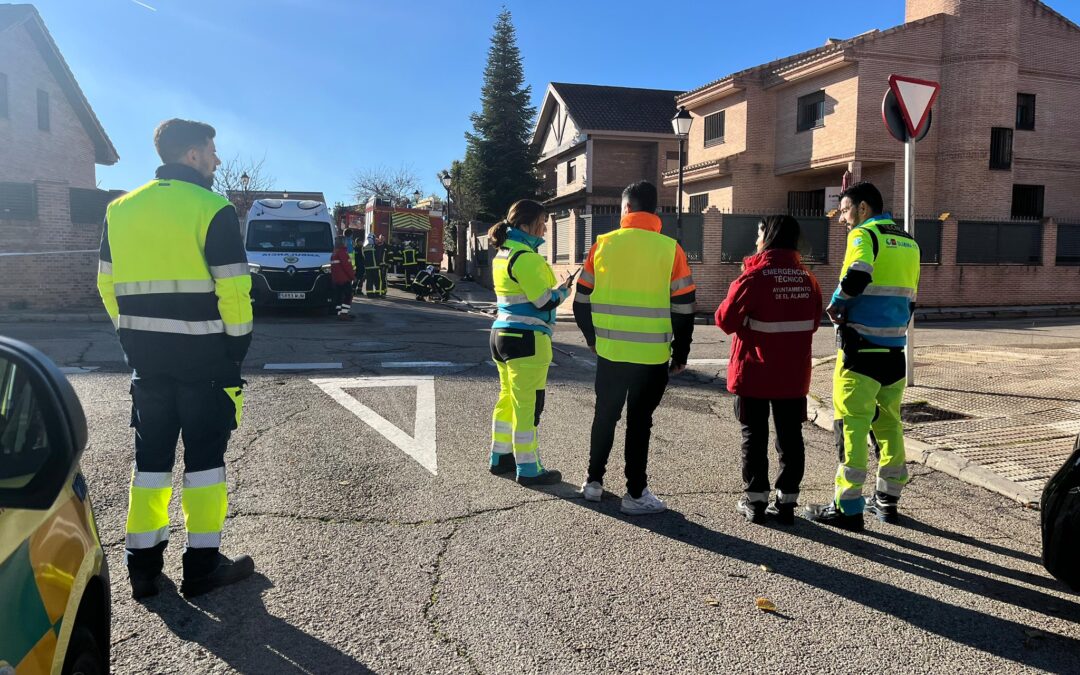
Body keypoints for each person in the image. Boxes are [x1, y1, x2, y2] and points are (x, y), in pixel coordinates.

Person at [96, 118, 255, 599]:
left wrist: (133, 338)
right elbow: (234, 292)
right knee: (205, 466)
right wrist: (234, 351)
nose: (217, 159)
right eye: (212, 150)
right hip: (206, 365)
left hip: (148, 364)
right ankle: (202, 566)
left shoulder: (119, 210)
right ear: (192, 155)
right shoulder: (213, 209)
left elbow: (106, 284)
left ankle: (142, 568)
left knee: (149, 466)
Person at [573, 181, 695, 515]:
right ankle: (636, 494)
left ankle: (593, 483)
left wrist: (592, 339)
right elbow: (684, 309)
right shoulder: (671, 249)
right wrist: (681, 353)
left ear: (625, 208)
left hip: (610, 353)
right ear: (656, 211)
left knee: (605, 416)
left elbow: (580, 301)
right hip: (652, 357)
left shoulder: (602, 245)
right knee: (639, 423)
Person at [807, 181, 921, 530]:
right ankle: (887, 501)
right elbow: (911, 298)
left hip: (860, 349)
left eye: (844, 210)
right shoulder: (909, 242)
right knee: (889, 424)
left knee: (852, 425)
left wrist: (836, 305)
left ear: (862, 208)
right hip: (893, 350)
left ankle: (848, 506)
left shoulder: (864, 235)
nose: (842, 218)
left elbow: (858, 273)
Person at [715, 215, 822, 525]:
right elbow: (813, 323)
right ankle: (787, 501)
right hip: (793, 375)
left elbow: (724, 320)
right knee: (790, 437)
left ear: (770, 237)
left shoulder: (753, 278)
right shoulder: (808, 279)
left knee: (754, 435)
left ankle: (755, 500)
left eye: (759, 234)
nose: (755, 241)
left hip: (754, 372)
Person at [488, 199, 570, 485]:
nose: (545, 228)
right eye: (541, 223)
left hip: (501, 334)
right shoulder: (527, 258)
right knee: (528, 404)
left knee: (507, 398)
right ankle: (529, 468)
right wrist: (563, 292)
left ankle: (500, 457)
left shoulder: (503, 254)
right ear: (525, 226)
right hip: (527, 338)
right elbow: (542, 301)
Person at [330, 235, 356, 320]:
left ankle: (339, 313)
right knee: (348, 295)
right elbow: (347, 266)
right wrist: (352, 277)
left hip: (337, 279)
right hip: (344, 279)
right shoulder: (342, 252)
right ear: (343, 242)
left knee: (339, 296)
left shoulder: (334, 253)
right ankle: (344, 314)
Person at [362, 234, 383, 298]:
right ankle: (377, 293)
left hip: (367, 267)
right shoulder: (375, 246)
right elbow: (378, 256)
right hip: (375, 267)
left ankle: (369, 294)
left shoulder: (364, 247)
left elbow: (363, 257)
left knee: (369, 281)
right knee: (377, 281)